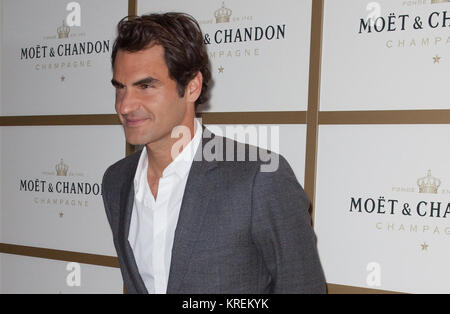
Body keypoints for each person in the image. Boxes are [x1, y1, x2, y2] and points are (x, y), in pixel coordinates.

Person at [102, 12, 326, 294]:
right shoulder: (116, 181)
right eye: (120, 88)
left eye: (145, 86)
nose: (124, 105)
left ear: (192, 87)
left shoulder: (259, 178)